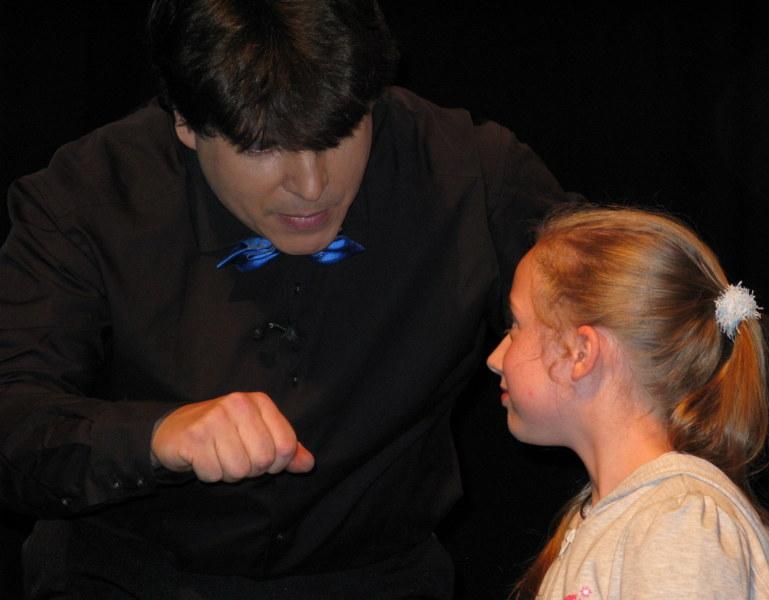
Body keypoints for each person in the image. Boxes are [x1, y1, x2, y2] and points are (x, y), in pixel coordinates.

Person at [0, 1, 578, 598]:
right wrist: (156, 435)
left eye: (338, 133)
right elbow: (13, 418)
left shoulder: (472, 173)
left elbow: (630, 325)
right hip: (129, 579)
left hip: (376, 579)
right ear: (185, 123)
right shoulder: (88, 195)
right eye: (263, 146)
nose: (311, 185)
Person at [487, 205, 769, 598]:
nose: (495, 357)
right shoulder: (628, 517)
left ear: (581, 353)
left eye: (516, 325)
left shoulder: (677, 523)